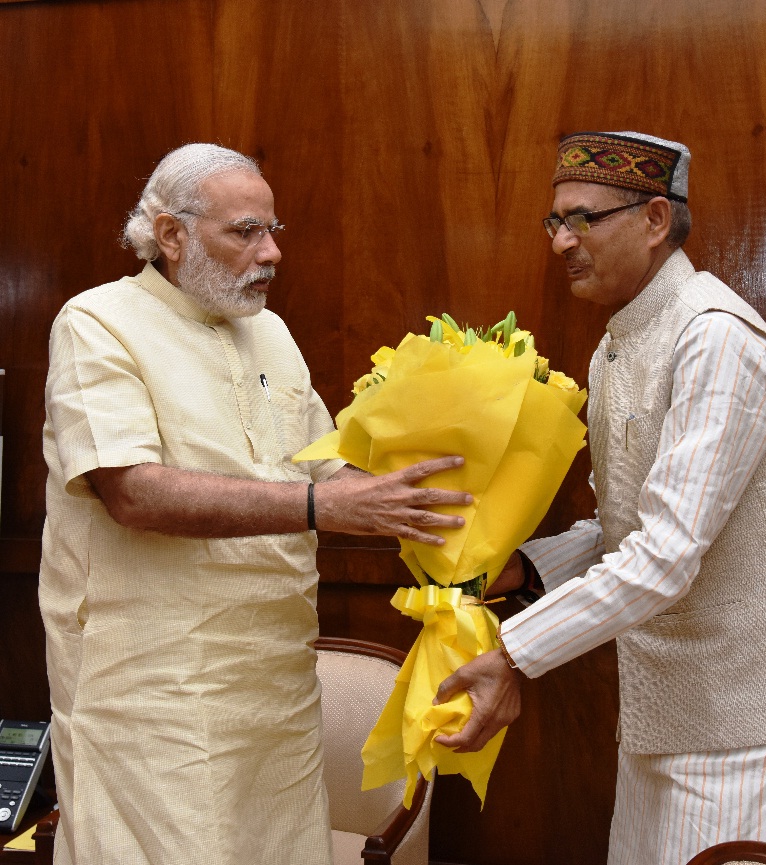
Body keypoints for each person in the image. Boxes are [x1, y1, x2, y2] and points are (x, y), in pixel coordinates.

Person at [434, 131, 766, 865]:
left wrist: (514, 654)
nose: (560, 242)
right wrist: (522, 568)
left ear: (654, 220)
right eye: (555, 221)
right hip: (664, 715)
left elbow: (666, 554)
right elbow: (627, 524)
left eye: (582, 219)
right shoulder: (616, 346)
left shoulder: (715, 337)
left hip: (754, 722)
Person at [39, 143, 473, 865]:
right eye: (245, 232)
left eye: (273, 231)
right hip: (156, 688)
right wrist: (319, 507)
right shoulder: (96, 322)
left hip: (277, 681)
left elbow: (323, 466)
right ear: (171, 235)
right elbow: (133, 492)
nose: (271, 253)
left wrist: (449, 498)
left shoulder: (269, 330)